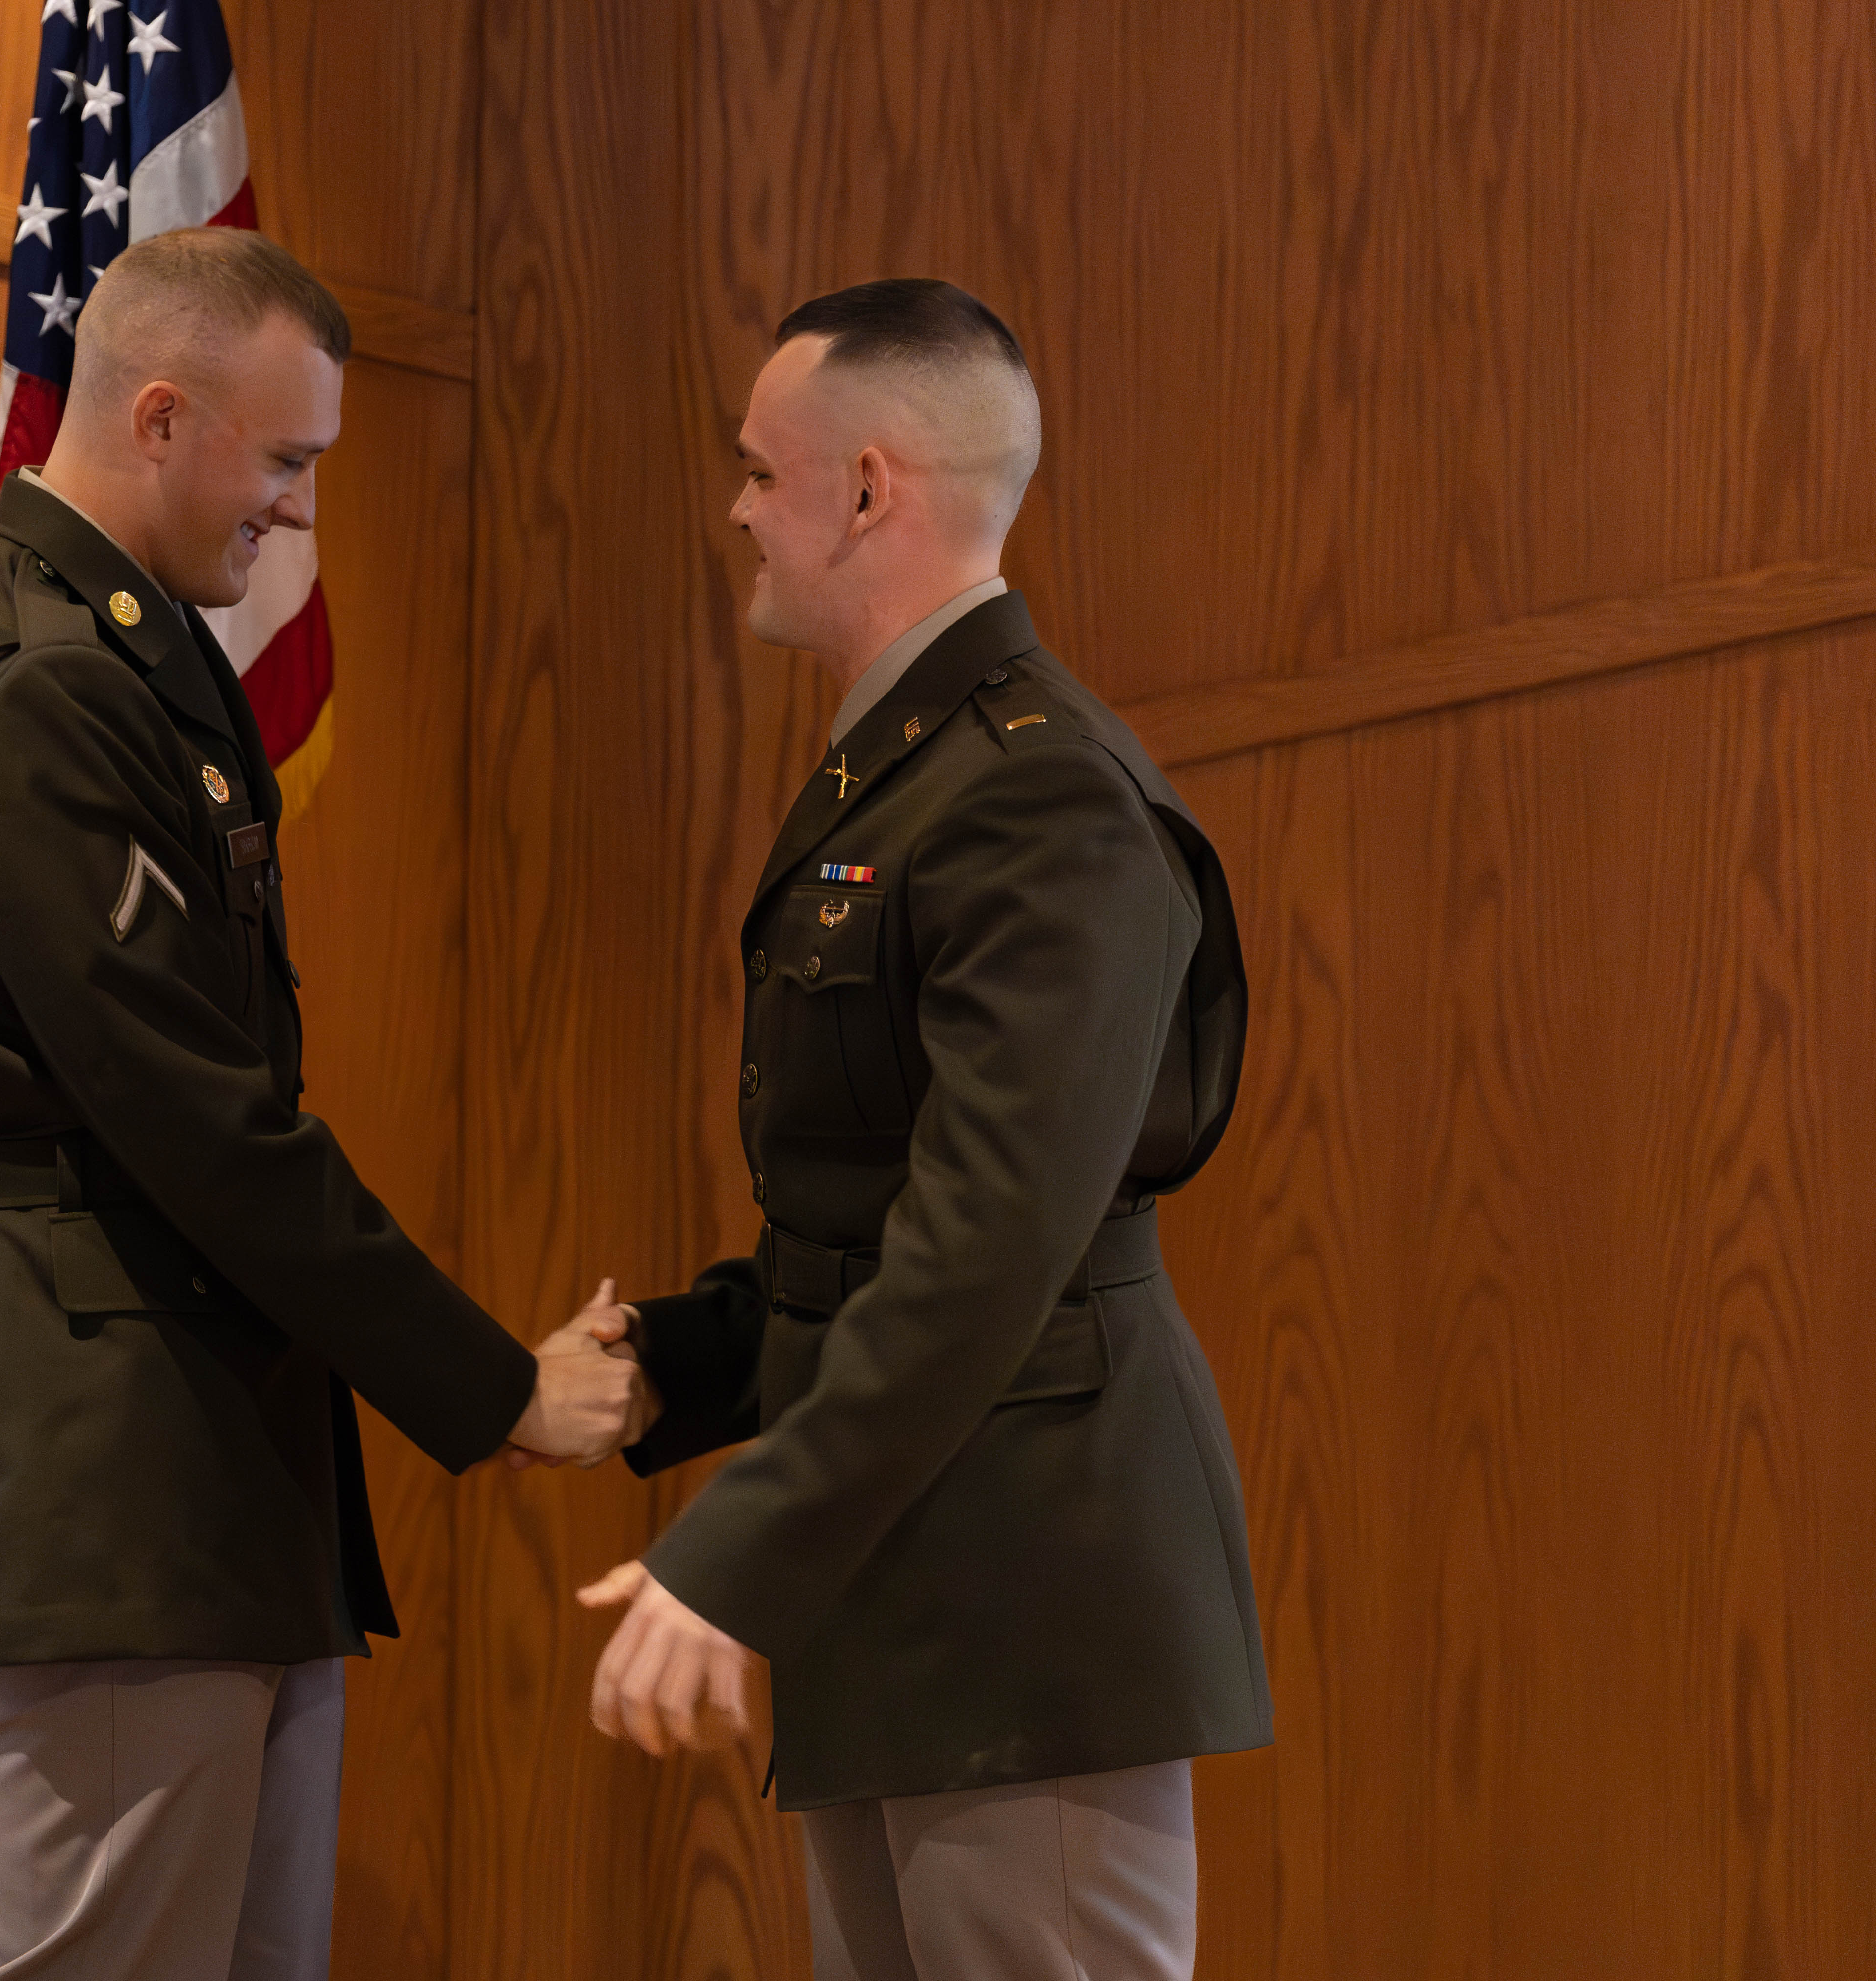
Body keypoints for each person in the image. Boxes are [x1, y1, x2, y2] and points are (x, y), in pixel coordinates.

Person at [0, 227, 643, 1981]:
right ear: (156, 416)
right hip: (114, 1478)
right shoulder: (43, 688)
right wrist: (497, 1386)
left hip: (200, 1464)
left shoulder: (132, 661)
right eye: (284, 460)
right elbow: (203, 1121)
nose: (292, 512)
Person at [574, 280, 1273, 1980]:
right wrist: (682, 1359)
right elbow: (884, 1224)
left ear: (868, 488)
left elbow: (989, 1249)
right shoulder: (907, 771)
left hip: (1026, 1589)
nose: (738, 507)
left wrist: (733, 1551)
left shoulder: (1034, 789)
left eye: (758, 469)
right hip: (911, 1571)